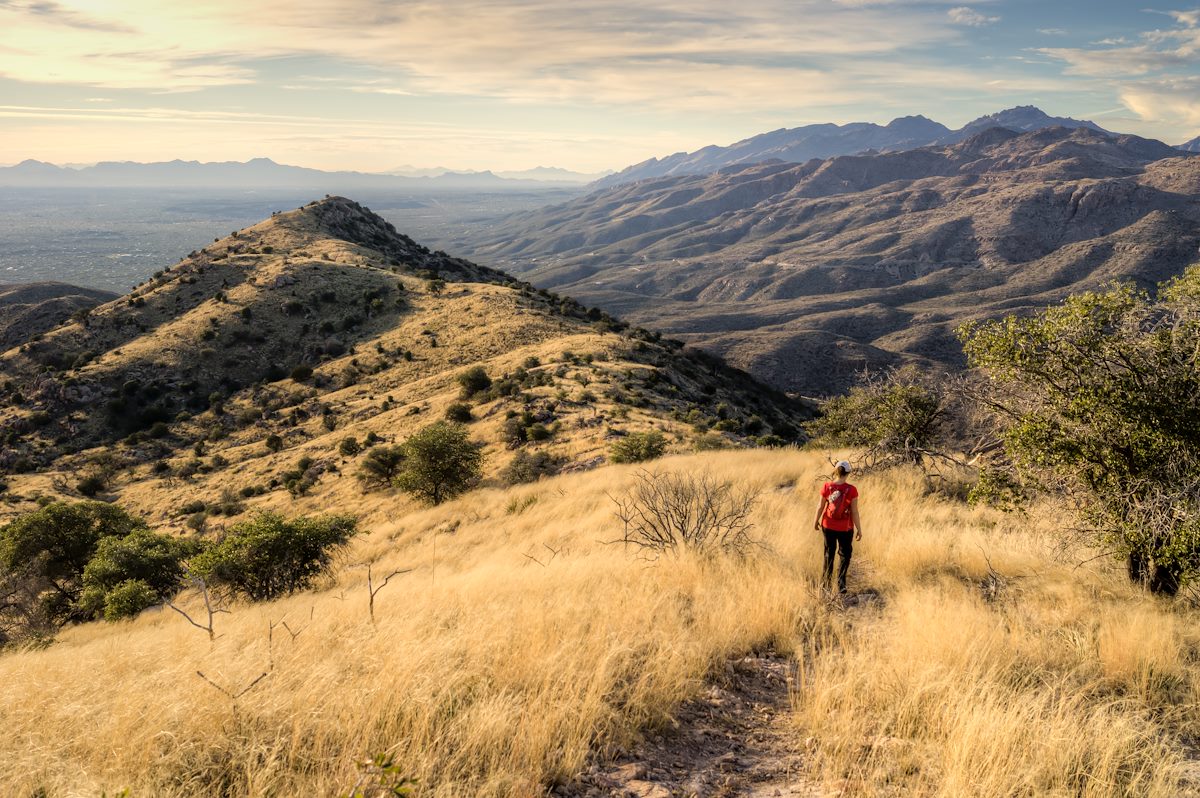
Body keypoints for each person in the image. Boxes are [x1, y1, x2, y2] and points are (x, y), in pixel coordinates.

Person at [813, 460, 861, 595]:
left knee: (829, 554)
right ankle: (841, 584)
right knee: (845, 554)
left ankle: (825, 585)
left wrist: (815, 521)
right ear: (848, 473)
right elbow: (854, 512)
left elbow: (820, 506)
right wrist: (859, 529)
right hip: (845, 528)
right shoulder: (852, 490)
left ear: (836, 471)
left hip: (828, 525)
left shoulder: (827, 486)